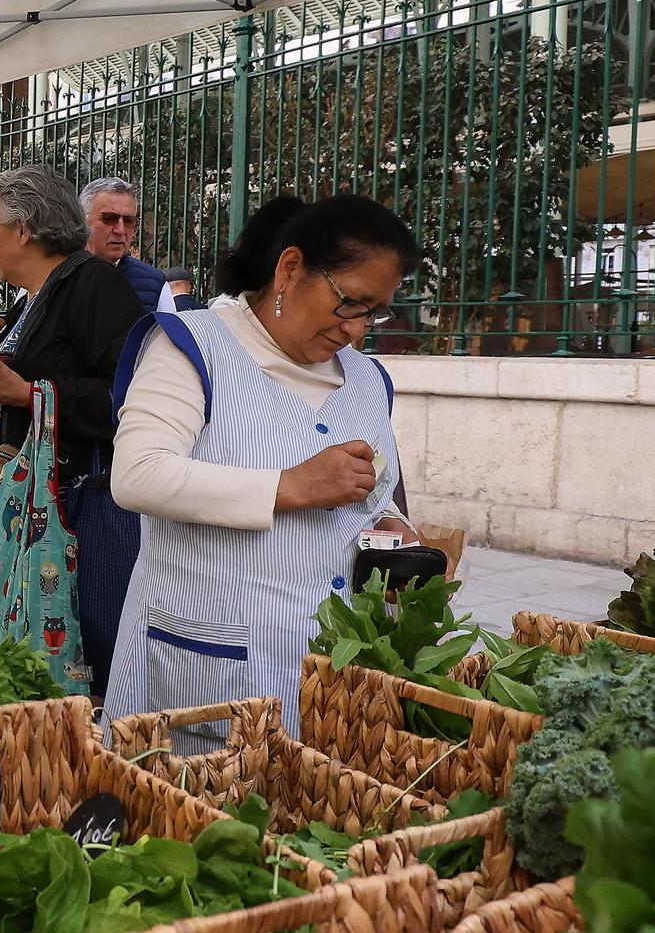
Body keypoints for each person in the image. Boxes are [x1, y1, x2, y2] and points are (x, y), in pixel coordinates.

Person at [105, 194, 419, 740]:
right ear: (290, 269)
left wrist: (392, 524)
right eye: (351, 303)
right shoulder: (193, 347)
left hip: (328, 678)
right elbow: (138, 474)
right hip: (205, 666)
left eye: (375, 312)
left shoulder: (368, 380)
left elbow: (374, 487)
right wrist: (290, 485)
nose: (358, 330)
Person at [0, 166, 145, 682]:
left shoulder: (94, 286)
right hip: (41, 506)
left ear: (23, 231)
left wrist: (29, 393)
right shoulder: (33, 298)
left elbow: (130, 397)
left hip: (82, 509)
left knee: (90, 649)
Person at [80, 177, 172, 311]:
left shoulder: (154, 284)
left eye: (129, 221)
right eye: (109, 219)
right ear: (83, 220)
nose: (120, 230)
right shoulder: (55, 273)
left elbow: (168, 331)